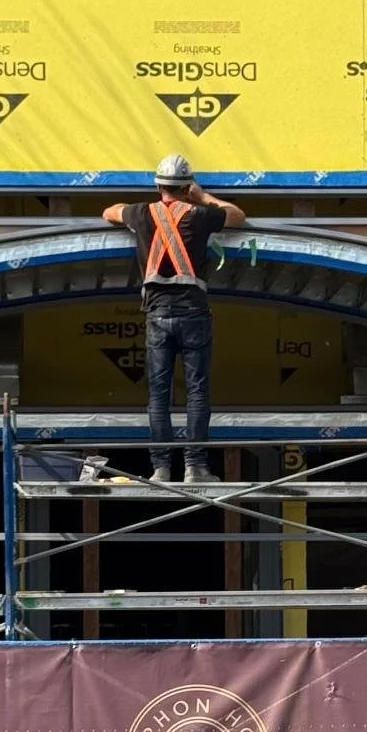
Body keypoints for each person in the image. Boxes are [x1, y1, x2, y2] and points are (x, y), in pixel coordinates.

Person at [103, 154, 247, 485]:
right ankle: (195, 468)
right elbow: (238, 216)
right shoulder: (200, 214)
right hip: (193, 312)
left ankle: (161, 468)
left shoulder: (141, 213)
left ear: (158, 186)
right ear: (186, 186)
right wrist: (203, 196)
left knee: (158, 393)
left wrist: (128, 211)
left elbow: (109, 212)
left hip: (156, 314)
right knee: (196, 391)